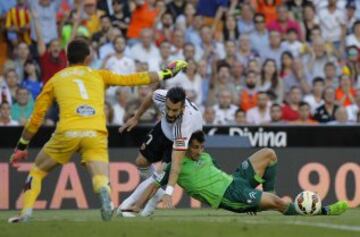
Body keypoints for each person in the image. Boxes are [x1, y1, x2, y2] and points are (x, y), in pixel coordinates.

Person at [7, 39, 188, 223]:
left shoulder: (55, 79)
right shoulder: (99, 75)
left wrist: (22, 146)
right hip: (95, 132)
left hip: (67, 131)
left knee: (37, 171)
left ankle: (26, 213)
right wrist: (166, 72)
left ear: (67, 58)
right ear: (88, 58)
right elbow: (132, 79)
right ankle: (104, 192)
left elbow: (36, 118)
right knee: (100, 176)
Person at [133, 131, 348, 217]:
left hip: (235, 182)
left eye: (201, 147)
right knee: (279, 202)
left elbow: (216, 172)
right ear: (187, 147)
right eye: (196, 148)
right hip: (228, 197)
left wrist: (250, 195)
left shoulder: (206, 157)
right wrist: (137, 205)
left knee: (269, 153)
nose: (200, 151)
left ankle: (265, 197)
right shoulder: (175, 165)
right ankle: (325, 211)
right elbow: (153, 184)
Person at [118, 86, 203, 215]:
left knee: (160, 173)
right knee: (141, 162)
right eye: (168, 108)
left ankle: (128, 204)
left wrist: (169, 192)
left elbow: (176, 165)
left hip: (184, 139)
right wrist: (137, 117)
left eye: (175, 110)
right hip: (163, 129)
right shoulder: (162, 96)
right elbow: (151, 96)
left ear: (183, 108)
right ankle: (157, 195)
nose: (170, 113)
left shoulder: (185, 126)